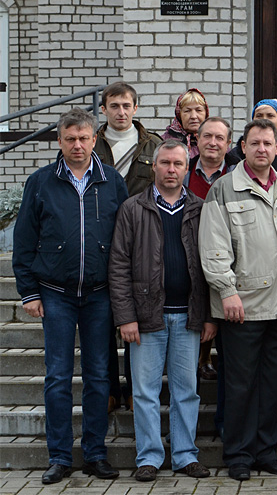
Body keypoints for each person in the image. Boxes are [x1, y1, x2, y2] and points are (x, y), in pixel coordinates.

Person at [13, 108, 128, 484]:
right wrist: (29, 291)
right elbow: (24, 240)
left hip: (99, 294)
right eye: (70, 139)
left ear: (95, 140)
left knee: (98, 376)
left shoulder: (111, 180)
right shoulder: (41, 181)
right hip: (55, 294)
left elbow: (125, 239)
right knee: (58, 376)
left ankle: (95, 453)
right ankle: (60, 457)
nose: (77, 145)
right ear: (60, 141)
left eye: (83, 138)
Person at [108, 140, 216, 482]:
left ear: (187, 168)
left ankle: (185, 455)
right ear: (153, 166)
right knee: (145, 392)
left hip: (188, 316)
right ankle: (149, 457)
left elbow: (212, 264)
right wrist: (125, 317)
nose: (171, 169)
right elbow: (118, 266)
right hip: (146, 317)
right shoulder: (132, 208)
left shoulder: (200, 209)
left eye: (178, 164)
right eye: (165, 163)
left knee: (187, 390)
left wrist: (209, 316)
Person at [198, 118, 277, 481]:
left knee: (272, 385)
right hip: (242, 306)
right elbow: (213, 249)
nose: (261, 149)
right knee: (240, 386)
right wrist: (227, 292)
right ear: (242, 147)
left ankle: (266, 452)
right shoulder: (223, 189)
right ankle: (238, 454)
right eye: (254, 143)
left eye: (268, 143)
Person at [93, 81, 162, 414]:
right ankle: (109, 389)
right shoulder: (90, 144)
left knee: (138, 316)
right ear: (103, 109)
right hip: (99, 239)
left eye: (126, 106)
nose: (121, 112)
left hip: (141, 240)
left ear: (136, 108)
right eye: (114, 106)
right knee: (103, 318)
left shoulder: (154, 145)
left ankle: (136, 389)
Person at [184, 117, 239, 431]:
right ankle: (186, 427)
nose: (213, 143)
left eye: (220, 138)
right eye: (207, 136)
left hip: (228, 272)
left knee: (229, 357)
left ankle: (224, 423)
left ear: (228, 144)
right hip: (188, 270)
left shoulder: (237, 176)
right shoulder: (183, 172)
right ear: (197, 140)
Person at [162, 88, 209, 159]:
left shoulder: (214, 141)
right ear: (179, 115)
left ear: (206, 113)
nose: (193, 116)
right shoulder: (164, 142)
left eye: (198, 110)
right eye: (187, 111)